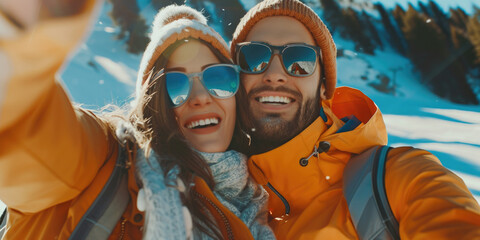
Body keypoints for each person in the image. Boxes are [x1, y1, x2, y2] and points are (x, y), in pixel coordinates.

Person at [0, 1, 275, 239]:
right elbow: (27, 128)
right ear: (153, 104)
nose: (200, 97)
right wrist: (18, 39)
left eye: (218, 78)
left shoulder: (263, 204)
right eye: (174, 85)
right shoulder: (105, 162)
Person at [229, 0, 480, 239]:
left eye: (299, 60)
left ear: (325, 87)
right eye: (253, 58)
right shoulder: (219, 206)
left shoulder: (398, 178)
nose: (274, 75)